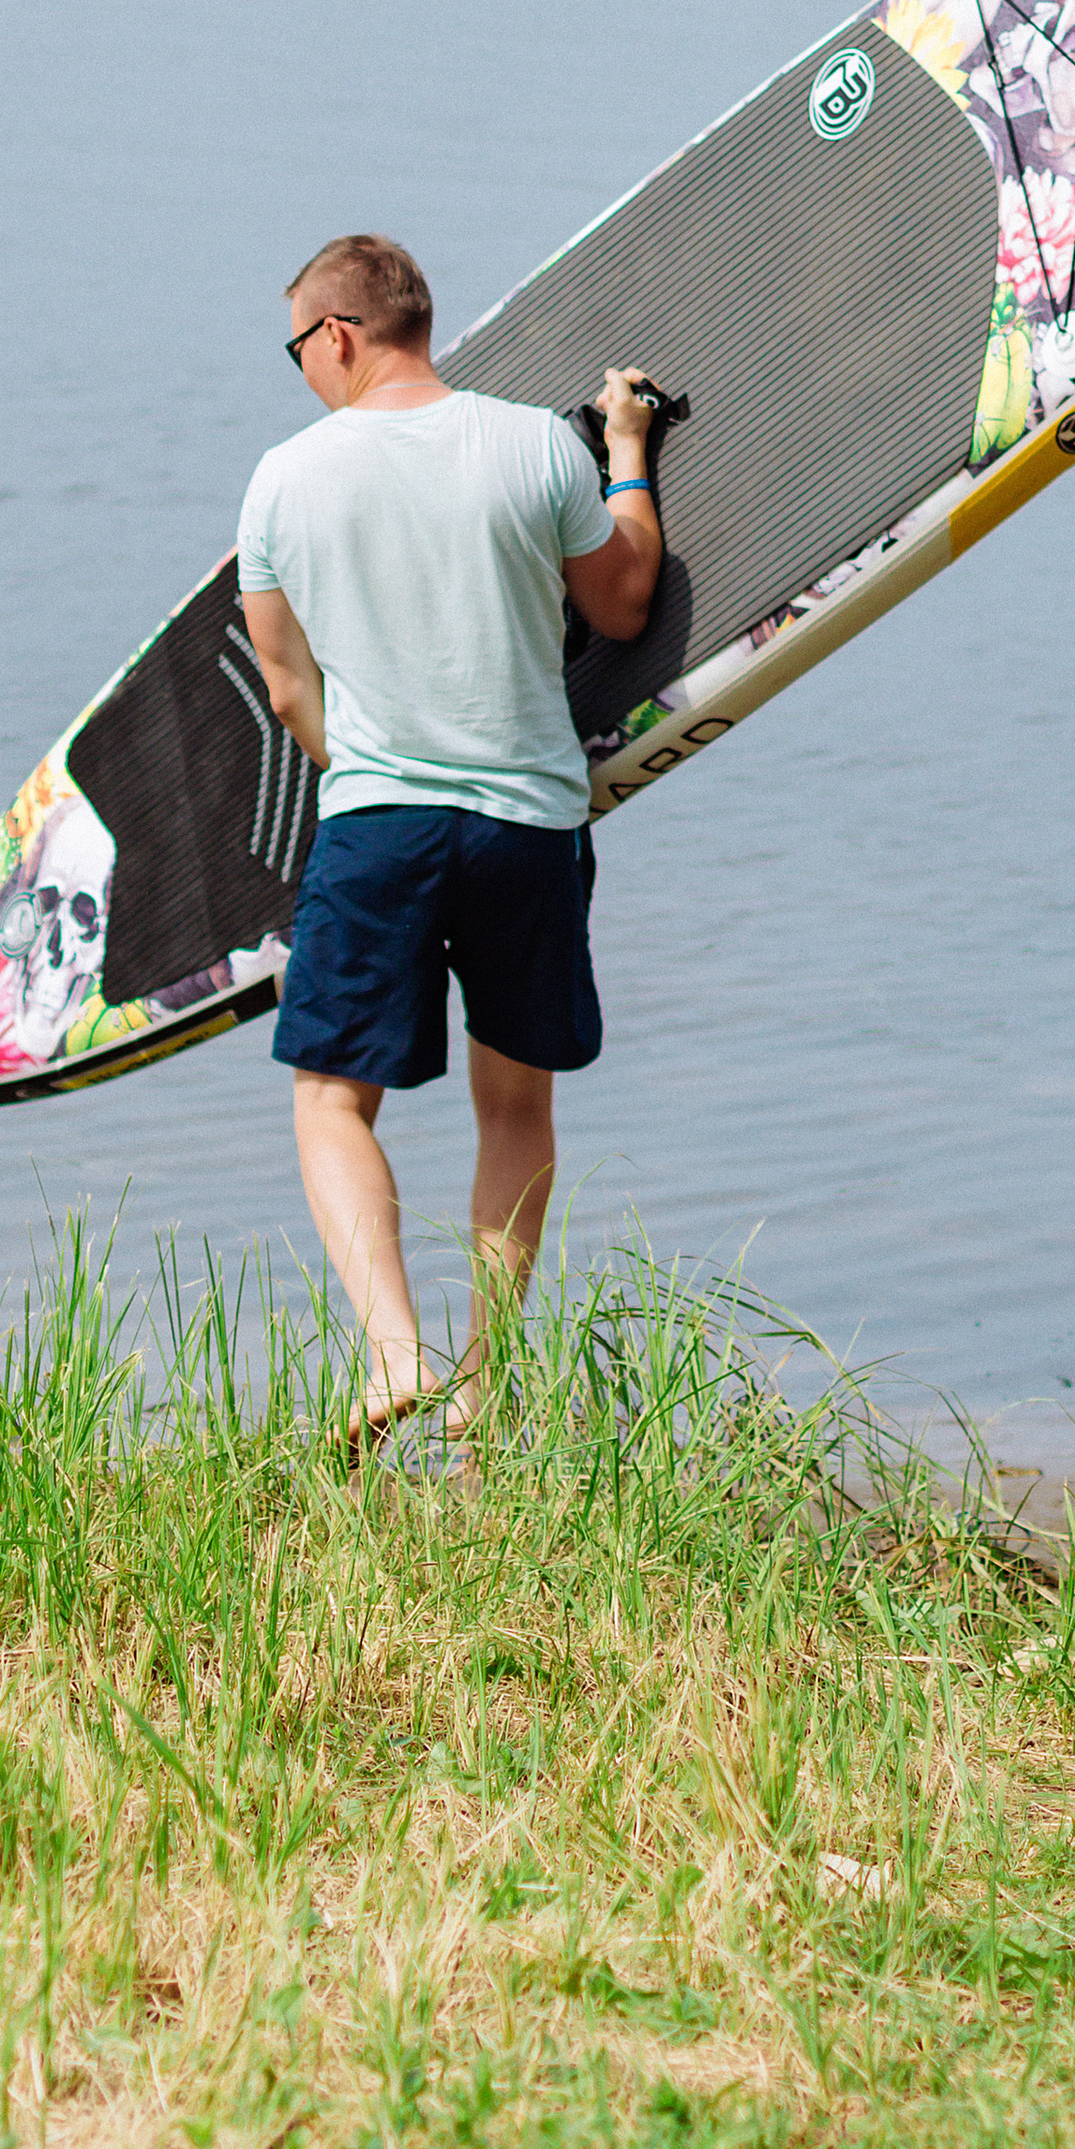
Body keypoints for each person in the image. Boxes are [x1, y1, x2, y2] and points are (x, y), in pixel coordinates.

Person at [236, 232, 662, 1452]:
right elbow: (623, 602)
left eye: (297, 347)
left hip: (379, 822)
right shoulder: (534, 445)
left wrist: (370, 769)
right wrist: (627, 451)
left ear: (336, 335)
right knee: (513, 1102)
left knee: (332, 1101)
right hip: (528, 822)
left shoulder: (284, 480)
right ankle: (484, 1386)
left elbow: (285, 686)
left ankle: (393, 1353)